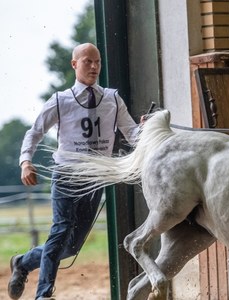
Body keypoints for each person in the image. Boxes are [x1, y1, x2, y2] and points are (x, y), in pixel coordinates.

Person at [8, 43, 143, 300]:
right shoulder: (60, 100)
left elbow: (132, 133)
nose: (94, 67)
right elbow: (34, 132)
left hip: (94, 179)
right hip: (66, 175)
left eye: (98, 62)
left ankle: (23, 263)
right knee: (60, 231)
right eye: (87, 61)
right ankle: (43, 294)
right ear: (74, 65)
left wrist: (148, 130)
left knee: (69, 247)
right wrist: (25, 161)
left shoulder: (113, 99)